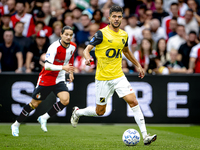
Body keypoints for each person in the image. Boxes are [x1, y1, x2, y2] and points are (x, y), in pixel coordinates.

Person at [70, 5, 157, 145]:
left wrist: (138, 65)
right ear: (109, 17)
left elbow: (126, 51)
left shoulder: (124, 34)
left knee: (133, 101)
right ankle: (78, 112)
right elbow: (87, 49)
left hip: (119, 76)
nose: (116, 19)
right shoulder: (101, 34)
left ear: (122, 18)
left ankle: (145, 135)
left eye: (119, 16)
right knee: (100, 112)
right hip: (103, 78)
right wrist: (87, 58)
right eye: (114, 16)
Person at [11, 26, 76, 137]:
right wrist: (63, 68)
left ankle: (44, 117)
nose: (68, 37)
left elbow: (70, 58)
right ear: (61, 34)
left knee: (65, 100)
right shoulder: (54, 47)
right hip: (46, 79)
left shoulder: (73, 46)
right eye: (66, 34)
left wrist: (70, 72)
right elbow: (47, 66)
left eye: (70, 35)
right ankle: (16, 124)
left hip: (59, 78)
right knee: (34, 104)